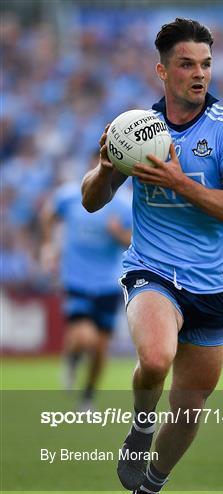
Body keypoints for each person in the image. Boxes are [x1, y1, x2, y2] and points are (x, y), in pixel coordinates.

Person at [82, 18, 223, 494]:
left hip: (212, 285)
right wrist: (107, 169)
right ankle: (139, 430)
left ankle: (150, 491)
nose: (198, 74)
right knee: (156, 359)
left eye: (205, 64)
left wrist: (182, 184)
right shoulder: (136, 131)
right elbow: (91, 201)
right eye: (186, 64)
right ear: (162, 71)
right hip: (152, 270)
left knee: (188, 410)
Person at [41, 151, 132, 410]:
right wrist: (49, 246)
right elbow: (49, 214)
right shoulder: (70, 195)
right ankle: (72, 358)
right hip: (76, 279)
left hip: (108, 281)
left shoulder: (124, 204)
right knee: (84, 338)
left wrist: (118, 234)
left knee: (101, 349)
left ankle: (88, 396)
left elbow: (134, 240)